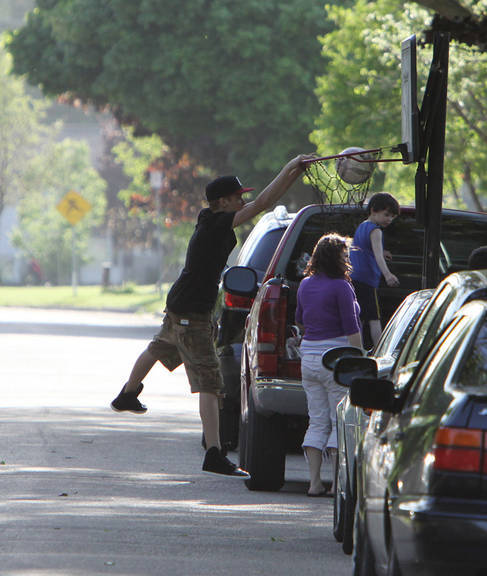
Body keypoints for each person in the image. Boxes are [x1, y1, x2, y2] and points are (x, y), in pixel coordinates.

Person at [111, 153, 314, 478]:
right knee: (211, 383)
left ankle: (127, 393)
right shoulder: (218, 221)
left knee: (159, 346)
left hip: (182, 304)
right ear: (222, 202)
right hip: (191, 310)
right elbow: (263, 202)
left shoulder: (209, 220)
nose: (242, 200)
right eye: (237, 197)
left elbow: (259, 201)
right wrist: (291, 166)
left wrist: (295, 171)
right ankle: (215, 453)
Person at [295, 233, 362, 497]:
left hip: (309, 358)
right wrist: (360, 359)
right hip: (336, 359)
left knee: (317, 421)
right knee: (339, 420)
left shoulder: (304, 284)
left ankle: (314, 483)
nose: (347, 259)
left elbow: (300, 319)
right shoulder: (342, 287)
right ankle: (336, 483)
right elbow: (351, 327)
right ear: (336, 258)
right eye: (345, 255)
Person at [350, 192, 400, 348]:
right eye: (386, 215)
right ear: (373, 210)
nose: (389, 220)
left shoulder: (362, 226)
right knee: (374, 319)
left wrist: (383, 252)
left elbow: (364, 248)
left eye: (392, 216)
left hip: (354, 277)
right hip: (368, 279)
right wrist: (388, 274)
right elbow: (378, 256)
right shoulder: (376, 231)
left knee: (359, 317)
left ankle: (357, 348)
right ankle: (378, 351)